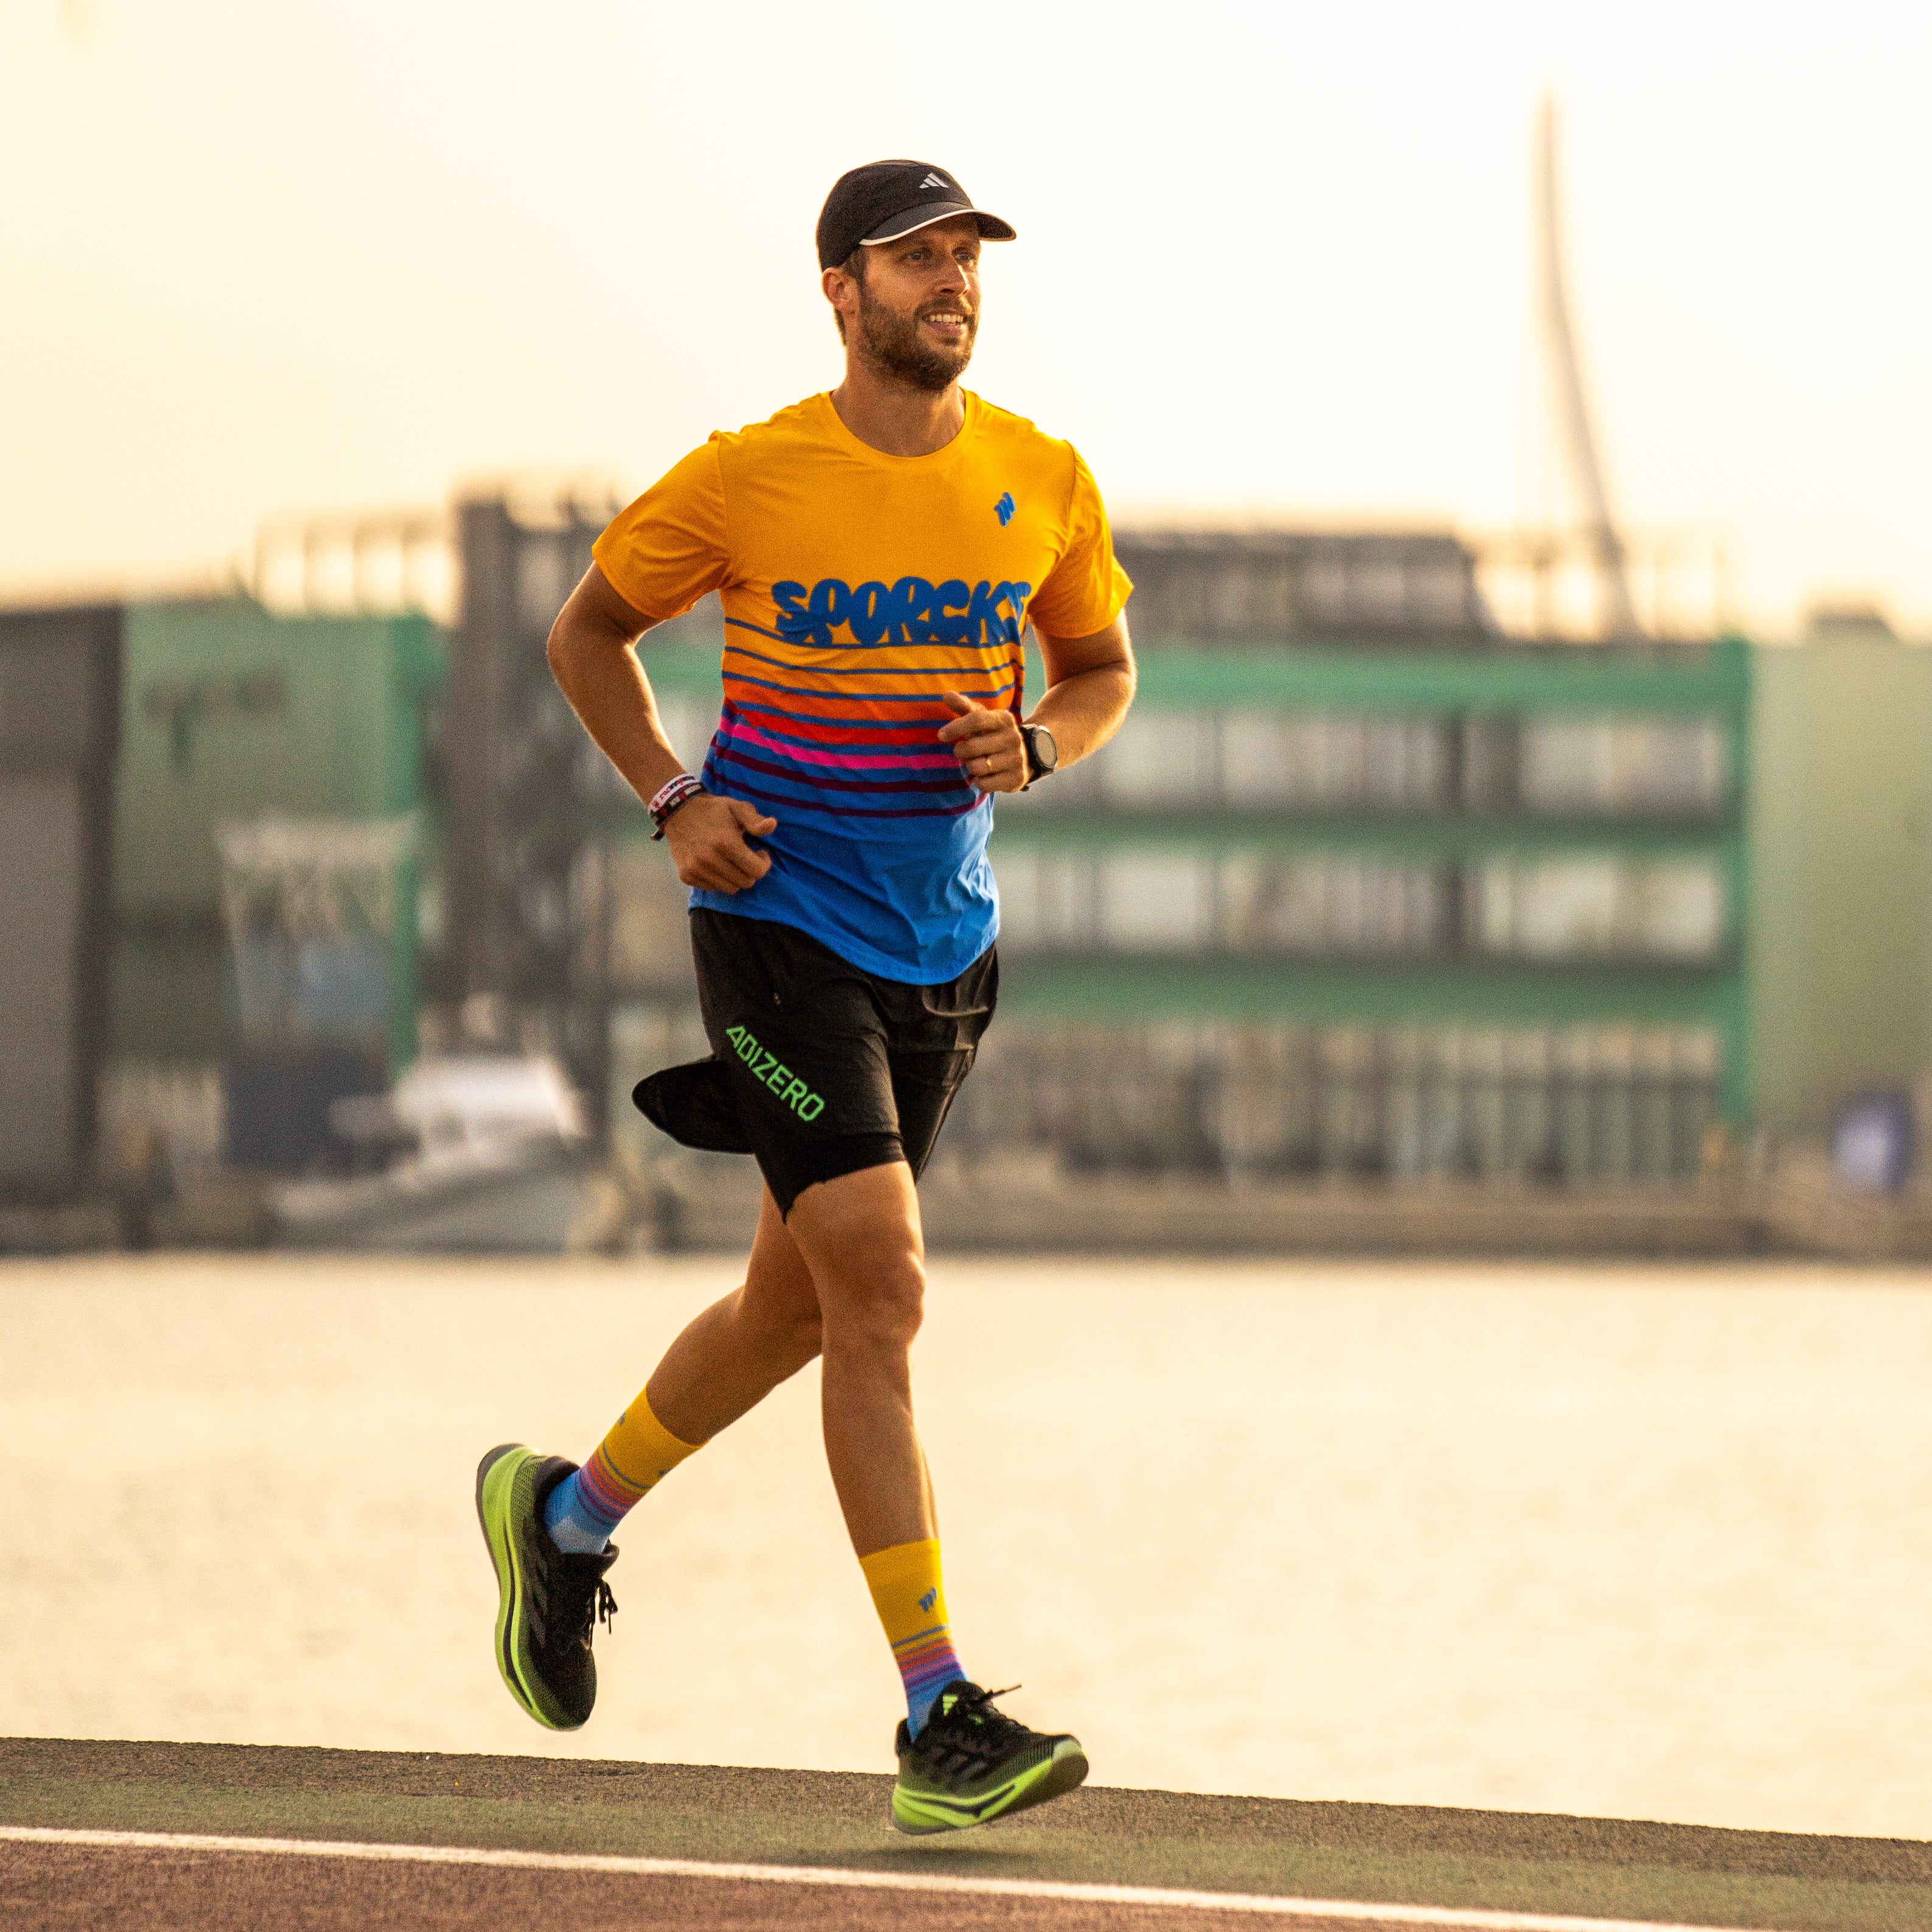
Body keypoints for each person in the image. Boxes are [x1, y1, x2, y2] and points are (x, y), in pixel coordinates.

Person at [475, 158, 1136, 1835]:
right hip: (778, 924)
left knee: (795, 1309)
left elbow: (1103, 667)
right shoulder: (749, 477)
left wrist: (1043, 741)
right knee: (887, 1289)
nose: (951, 285)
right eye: (916, 260)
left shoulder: (1042, 478)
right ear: (840, 290)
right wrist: (669, 801)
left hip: (946, 955)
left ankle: (562, 1520)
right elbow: (585, 634)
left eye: (966, 258)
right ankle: (936, 1716)